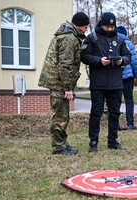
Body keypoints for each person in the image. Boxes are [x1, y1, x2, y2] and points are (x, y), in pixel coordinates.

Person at [38, 12, 89, 155]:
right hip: (59, 83)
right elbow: (65, 66)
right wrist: (68, 88)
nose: (86, 30)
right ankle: (58, 147)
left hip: (58, 81)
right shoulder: (69, 38)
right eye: (85, 27)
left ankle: (62, 144)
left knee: (62, 114)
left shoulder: (67, 35)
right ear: (78, 26)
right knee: (59, 115)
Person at [81, 12, 131, 152]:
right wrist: (99, 61)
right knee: (96, 113)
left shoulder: (119, 39)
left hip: (116, 83)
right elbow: (84, 56)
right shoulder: (92, 38)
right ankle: (93, 142)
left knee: (115, 112)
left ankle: (113, 140)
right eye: (107, 26)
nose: (110, 29)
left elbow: (128, 55)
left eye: (112, 26)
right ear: (101, 24)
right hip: (98, 83)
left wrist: (122, 60)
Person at [116, 26, 137, 131]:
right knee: (129, 100)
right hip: (128, 76)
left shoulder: (113, 41)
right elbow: (133, 61)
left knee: (116, 100)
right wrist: (135, 74)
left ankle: (115, 124)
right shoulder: (129, 44)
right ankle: (130, 123)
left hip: (116, 76)